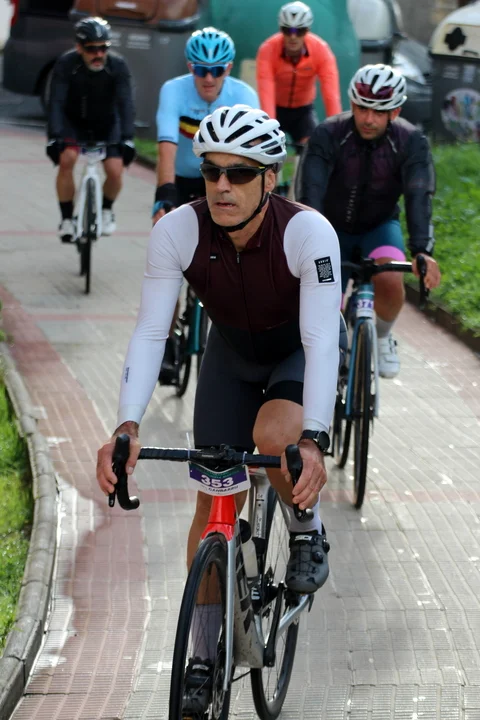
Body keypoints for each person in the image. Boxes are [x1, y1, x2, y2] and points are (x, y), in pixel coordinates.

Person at [97, 104, 340, 712]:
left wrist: (313, 440)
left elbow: (320, 341)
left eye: (240, 172)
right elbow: (151, 332)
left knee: (275, 436)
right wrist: (126, 426)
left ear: (270, 178)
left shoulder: (308, 233)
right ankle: (204, 654)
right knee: (213, 499)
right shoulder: (178, 230)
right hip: (231, 358)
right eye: (211, 172)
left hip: (296, 352)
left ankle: (307, 531)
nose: (222, 186)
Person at [297, 63, 441, 378]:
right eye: (362, 108)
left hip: (379, 227)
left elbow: (419, 195)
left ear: (395, 111)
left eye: (379, 111)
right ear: (352, 103)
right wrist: (308, 241)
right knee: (326, 298)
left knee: (389, 280)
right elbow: (310, 191)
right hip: (329, 230)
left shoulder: (411, 141)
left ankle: (384, 336)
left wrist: (422, 250)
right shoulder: (328, 133)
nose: (368, 119)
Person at [153, 26, 259, 384]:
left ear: (228, 68)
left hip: (224, 182)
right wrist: (165, 194)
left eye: (217, 70)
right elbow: (167, 145)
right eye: (201, 70)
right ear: (190, 67)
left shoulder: (244, 96)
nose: (209, 78)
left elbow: (255, 157)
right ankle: (166, 342)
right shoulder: (173, 90)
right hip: (182, 181)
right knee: (169, 263)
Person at [46, 17, 136, 243]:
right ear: (79, 47)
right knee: (67, 159)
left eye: (103, 48)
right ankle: (67, 219)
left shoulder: (118, 65)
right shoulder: (66, 64)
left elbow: (126, 103)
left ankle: (106, 209)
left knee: (115, 169)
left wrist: (128, 138)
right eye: (91, 49)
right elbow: (56, 102)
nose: (98, 54)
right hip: (73, 123)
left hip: (107, 124)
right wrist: (54, 136)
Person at [256, 1, 341, 149]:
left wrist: (336, 129)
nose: (293, 36)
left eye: (299, 31)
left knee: (311, 150)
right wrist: (269, 129)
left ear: (307, 30)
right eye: (287, 30)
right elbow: (266, 92)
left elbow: (331, 95)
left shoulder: (321, 50)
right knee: (267, 148)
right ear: (281, 29)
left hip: (303, 111)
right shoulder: (268, 49)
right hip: (275, 107)